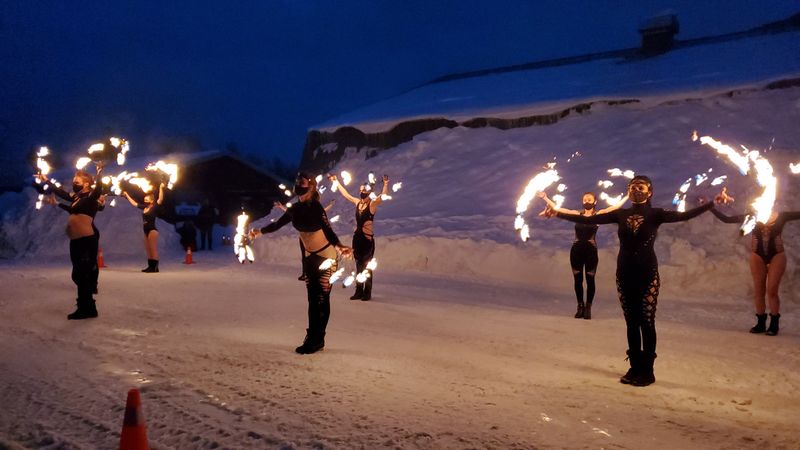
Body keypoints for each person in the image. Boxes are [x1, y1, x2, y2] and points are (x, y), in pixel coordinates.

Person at [547, 176, 723, 386]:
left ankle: (647, 371)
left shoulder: (656, 214)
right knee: (631, 322)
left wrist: (713, 203)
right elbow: (587, 219)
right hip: (624, 273)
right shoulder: (621, 214)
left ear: (650, 192)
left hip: (647, 273)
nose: (635, 190)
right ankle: (634, 367)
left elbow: (685, 215)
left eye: (640, 187)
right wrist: (556, 214)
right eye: (632, 187)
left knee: (646, 321)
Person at [250, 172, 352, 354]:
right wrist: (259, 232)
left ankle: (317, 338)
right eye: (297, 182)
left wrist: (339, 246)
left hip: (326, 255)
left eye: (302, 182)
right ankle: (313, 337)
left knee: (321, 299)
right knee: (313, 300)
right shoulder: (295, 209)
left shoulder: (317, 208)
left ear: (311, 186)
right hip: (310, 257)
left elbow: (328, 231)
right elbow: (277, 224)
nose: (298, 185)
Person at [710, 188, 800, 336]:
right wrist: (709, 205)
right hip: (757, 256)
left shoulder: (782, 217)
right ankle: (760, 322)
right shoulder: (751, 217)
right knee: (758, 290)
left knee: (772, 290)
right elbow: (726, 219)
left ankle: (774, 324)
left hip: (777, 255)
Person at [538, 192, 628, 319]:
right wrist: (545, 198)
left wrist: (628, 196)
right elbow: (559, 209)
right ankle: (580, 306)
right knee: (578, 280)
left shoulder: (598, 215)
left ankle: (588, 307)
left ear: (595, 202)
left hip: (591, 252)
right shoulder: (577, 214)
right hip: (576, 251)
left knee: (590, 280)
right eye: (584, 199)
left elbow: (614, 208)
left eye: (589, 199)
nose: (586, 201)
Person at [37, 164, 105, 319]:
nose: (74, 182)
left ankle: (86, 308)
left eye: (77, 180)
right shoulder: (77, 198)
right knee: (77, 275)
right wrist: (47, 180)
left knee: (82, 275)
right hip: (76, 241)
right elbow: (61, 193)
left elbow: (98, 189)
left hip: (86, 240)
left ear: (86, 183)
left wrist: (100, 173)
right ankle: (87, 304)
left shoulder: (91, 197)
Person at [328, 174, 390, 301]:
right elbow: (346, 195)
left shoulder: (372, 205)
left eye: (364, 190)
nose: (361, 192)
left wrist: (386, 184)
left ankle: (367, 293)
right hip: (357, 239)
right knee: (358, 266)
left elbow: (382, 197)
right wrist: (337, 181)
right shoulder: (357, 202)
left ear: (368, 191)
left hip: (367, 240)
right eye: (360, 190)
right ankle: (358, 291)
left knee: (367, 267)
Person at [274, 199, 335, 281]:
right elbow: (290, 212)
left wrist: (331, 205)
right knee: (305, 256)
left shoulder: (314, 212)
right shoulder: (300, 212)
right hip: (303, 238)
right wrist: (281, 207)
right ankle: (305, 273)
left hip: (312, 238)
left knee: (313, 256)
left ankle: (313, 273)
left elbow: (324, 210)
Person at [122, 183, 165, 273]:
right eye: (145, 197)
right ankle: (150, 266)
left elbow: (160, 199)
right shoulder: (145, 207)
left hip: (152, 230)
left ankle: (155, 268)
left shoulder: (154, 207)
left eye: (147, 197)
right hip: (145, 231)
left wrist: (161, 187)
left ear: (152, 199)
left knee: (153, 249)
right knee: (148, 249)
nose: (145, 198)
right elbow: (134, 204)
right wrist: (127, 195)